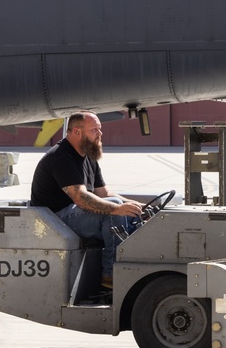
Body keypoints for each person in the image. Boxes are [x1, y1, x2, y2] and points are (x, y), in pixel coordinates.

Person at [30, 112, 143, 289]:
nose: (100, 134)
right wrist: (117, 209)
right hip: (55, 220)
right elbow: (81, 198)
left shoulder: (88, 154)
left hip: (75, 213)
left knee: (125, 211)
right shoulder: (61, 157)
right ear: (77, 132)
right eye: (94, 130)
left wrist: (137, 207)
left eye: (100, 129)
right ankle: (110, 276)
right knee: (112, 213)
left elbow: (104, 193)